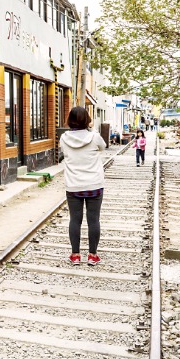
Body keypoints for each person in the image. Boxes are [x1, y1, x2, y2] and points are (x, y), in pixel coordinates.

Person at [60, 106, 106, 266]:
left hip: (73, 185)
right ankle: (92, 255)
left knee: (75, 220)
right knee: (93, 220)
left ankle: (75, 255)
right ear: (87, 119)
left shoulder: (64, 138)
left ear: (70, 120)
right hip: (94, 184)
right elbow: (103, 147)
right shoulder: (95, 137)